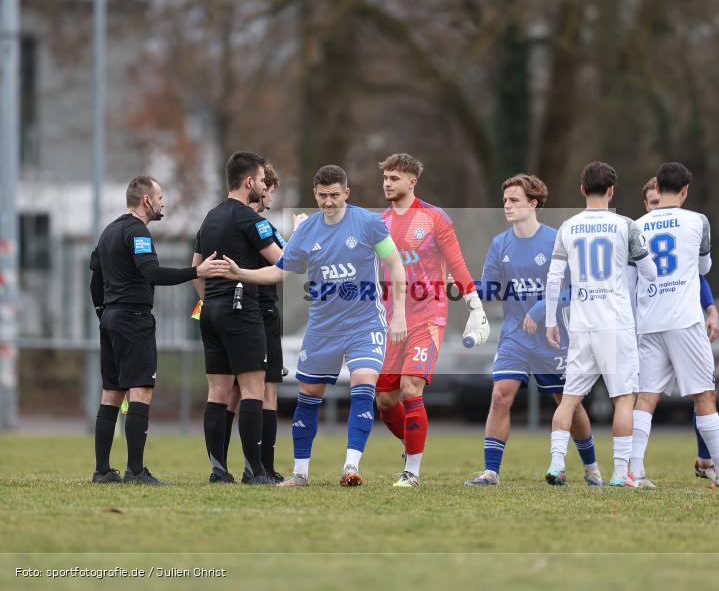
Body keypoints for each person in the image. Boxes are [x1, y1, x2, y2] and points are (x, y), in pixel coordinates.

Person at [224, 164, 407, 487]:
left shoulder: (368, 224)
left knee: (363, 388)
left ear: (346, 193)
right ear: (315, 195)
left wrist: (399, 314)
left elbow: (394, 263)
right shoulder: (306, 233)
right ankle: (300, 473)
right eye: (322, 196)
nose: (329, 202)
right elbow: (279, 272)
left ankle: (351, 467)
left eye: (335, 195)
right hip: (323, 328)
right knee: (309, 395)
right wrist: (240, 273)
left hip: (365, 325)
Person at [89, 176, 228, 485]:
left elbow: (95, 280)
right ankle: (135, 472)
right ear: (147, 201)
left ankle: (102, 470)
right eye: (161, 196)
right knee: (140, 391)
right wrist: (197, 271)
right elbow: (151, 273)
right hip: (132, 320)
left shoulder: (108, 231)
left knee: (111, 393)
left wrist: (103, 312)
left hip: (111, 319)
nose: (164, 202)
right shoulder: (136, 231)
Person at [464, 174, 601, 487]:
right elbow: (490, 291)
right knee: (500, 396)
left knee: (568, 403)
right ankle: (490, 472)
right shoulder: (500, 244)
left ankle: (591, 467)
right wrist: (464, 288)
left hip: (553, 338)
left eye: (514, 200)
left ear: (533, 203)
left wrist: (541, 311)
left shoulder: (556, 239)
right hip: (514, 337)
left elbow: (572, 289)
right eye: (505, 201)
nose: (507, 206)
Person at [374, 153, 490, 488]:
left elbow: (456, 263)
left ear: (412, 182)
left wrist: (474, 305)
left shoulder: (435, 218)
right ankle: (412, 444)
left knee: (411, 387)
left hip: (428, 317)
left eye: (394, 178)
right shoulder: (379, 222)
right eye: (385, 178)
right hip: (392, 319)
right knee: (385, 402)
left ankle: (411, 471)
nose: (387, 183)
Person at [544, 161, 656, 487]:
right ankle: (621, 473)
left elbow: (554, 280)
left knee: (569, 398)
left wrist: (552, 320)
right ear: (611, 190)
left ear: (582, 190)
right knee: (624, 397)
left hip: (581, 323)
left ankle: (556, 464)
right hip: (616, 323)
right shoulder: (626, 225)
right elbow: (649, 272)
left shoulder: (567, 227)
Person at [628, 163, 719, 488]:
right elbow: (704, 267)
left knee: (646, 397)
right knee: (704, 395)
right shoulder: (698, 221)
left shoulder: (638, 225)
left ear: (657, 187)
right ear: (686, 189)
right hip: (684, 320)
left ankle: (634, 471)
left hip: (648, 321)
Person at [194, 152, 283, 485]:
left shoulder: (210, 217)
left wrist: (212, 299)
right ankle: (254, 471)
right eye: (262, 179)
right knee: (252, 390)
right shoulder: (250, 218)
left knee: (217, 392)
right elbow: (283, 262)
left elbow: (196, 269)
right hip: (241, 307)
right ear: (249, 183)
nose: (264, 185)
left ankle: (219, 470)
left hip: (211, 310)